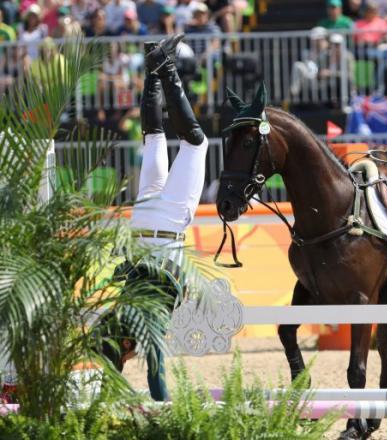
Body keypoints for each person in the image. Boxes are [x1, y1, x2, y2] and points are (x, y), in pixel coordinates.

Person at [103, 34, 209, 401]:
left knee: (197, 143)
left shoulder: (147, 320)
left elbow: (157, 379)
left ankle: (165, 68)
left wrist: (162, 408)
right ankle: (153, 64)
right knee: (154, 139)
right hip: (142, 216)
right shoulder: (118, 310)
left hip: (167, 226)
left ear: (128, 346)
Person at [290, 26, 329, 98]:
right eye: (314, 40)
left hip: (322, 80)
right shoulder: (306, 52)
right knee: (297, 65)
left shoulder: (328, 52)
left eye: (318, 39)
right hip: (309, 78)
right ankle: (293, 93)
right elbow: (307, 67)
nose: (315, 42)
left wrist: (323, 50)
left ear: (323, 39)